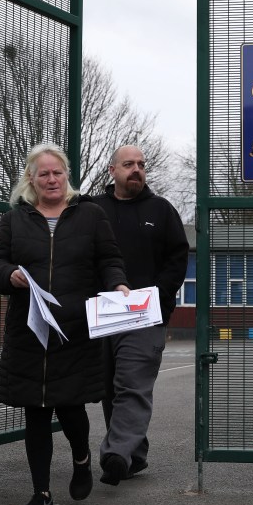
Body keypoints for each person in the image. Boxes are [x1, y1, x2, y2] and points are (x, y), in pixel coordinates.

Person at [0, 143, 129, 505]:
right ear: (31, 179)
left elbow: (109, 260)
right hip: (29, 330)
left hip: (75, 329)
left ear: (67, 175)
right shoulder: (15, 219)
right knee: (36, 412)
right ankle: (42, 495)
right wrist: (9, 275)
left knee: (70, 407)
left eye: (58, 172)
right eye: (43, 173)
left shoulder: (91, 215)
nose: (51, 179)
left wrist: (118, 285)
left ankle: (81, 460)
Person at [93, 145, 188, 486]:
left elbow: (177, 258)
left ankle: (116, 454)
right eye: (129, 164)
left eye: (142, 165)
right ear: (112, 170)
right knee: (109, 386)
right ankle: (134, 455)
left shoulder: (161, 210)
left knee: (132, 383)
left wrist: (158, 297)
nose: (137, 170)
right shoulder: (93, 209)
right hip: (103, 314)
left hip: (146, 314)